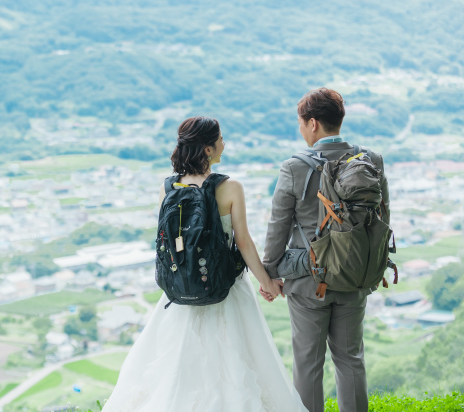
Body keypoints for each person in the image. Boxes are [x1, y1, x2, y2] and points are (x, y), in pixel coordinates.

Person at [102, 116, 307, 412]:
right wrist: (268, 283)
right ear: (208, 149)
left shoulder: (168, 187)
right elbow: (244, 243)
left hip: (182, 289)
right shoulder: (230, 187)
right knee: (236, 358)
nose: (225, 144)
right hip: (226, 287)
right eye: (220, 139)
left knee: (178, 365)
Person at [261, 88, 390, 412]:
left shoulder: (295, 167)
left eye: (301, 123)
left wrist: (270, 275)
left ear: (313, 123)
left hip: (308, 280)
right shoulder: (370, 161)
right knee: (350, 360)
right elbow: (382, 218)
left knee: (308, 364)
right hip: (353, 274)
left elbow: (278, 227)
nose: (301, 129)